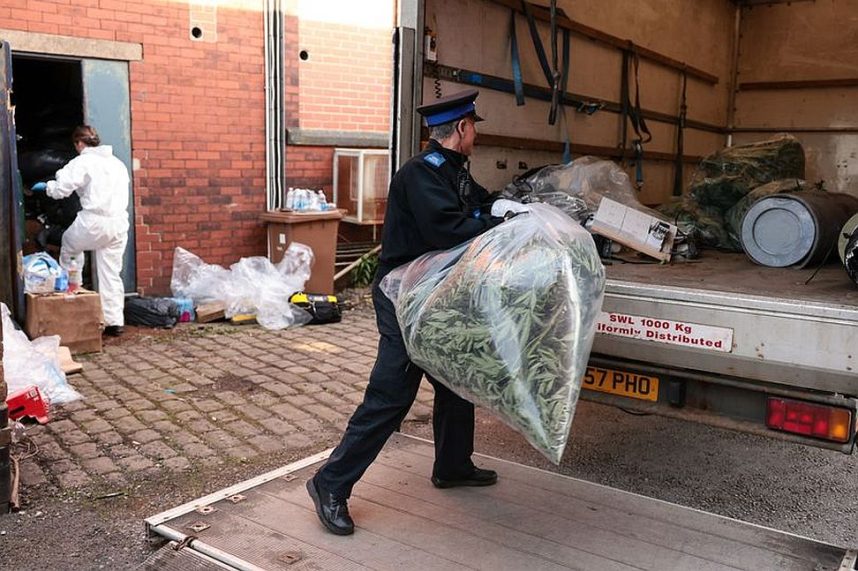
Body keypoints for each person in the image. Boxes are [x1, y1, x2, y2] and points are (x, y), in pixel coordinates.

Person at [307, 89, 525, 536]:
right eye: (475, 127)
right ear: (462, 129)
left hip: (435, 292)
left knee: (455, 378)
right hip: (402, 294)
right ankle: (329, 484)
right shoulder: (419, 174)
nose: (476, 133)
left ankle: (452, 465)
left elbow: (476, 202)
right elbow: (448, 228)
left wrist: (500, 205)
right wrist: (501, 224)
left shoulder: (452, 170)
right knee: (391, 394)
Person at [32, 125, 131, 337]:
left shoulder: (82, 162)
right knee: (111, 272)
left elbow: (61, 190)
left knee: (69, 246)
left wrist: (47, 187)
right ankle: (114, 322)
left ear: (79, 143)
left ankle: (73, 293)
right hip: (119, 222)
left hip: (93, 221)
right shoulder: (117, 164)